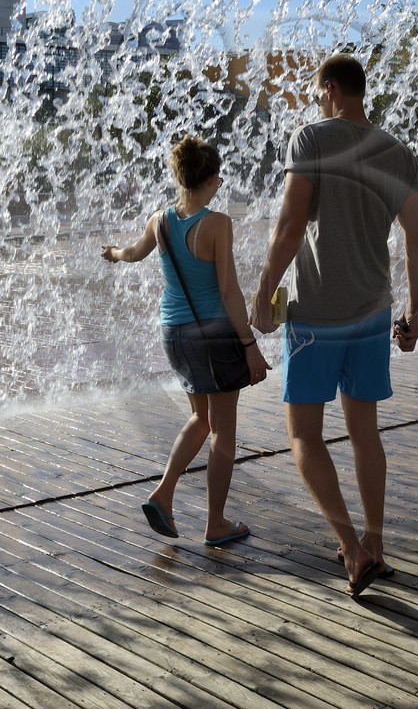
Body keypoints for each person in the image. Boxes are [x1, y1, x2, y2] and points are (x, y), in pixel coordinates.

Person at [250, 54, 418, 598]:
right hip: (374, 310)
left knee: (303, 434)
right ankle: (375, 543)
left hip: (317, 314)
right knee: (364, 432)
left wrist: (262, 293)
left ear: (329, 90)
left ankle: (352, 550)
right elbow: (417, 239)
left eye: (316, 92)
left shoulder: (311, 139)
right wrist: (414, 312)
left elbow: (288, 225)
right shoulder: (398, 152)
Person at [101, 136, 269, 546]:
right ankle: (215, 523)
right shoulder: (216, 223)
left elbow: (134, 253)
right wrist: (250, 346)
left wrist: (113, 253)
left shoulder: (159, 220)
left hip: (173, 332)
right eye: (218, 177)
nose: (221, 183)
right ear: (210, 180)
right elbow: (229, 292)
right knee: (223, 431)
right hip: (212, 334)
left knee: (201, 417)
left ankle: (163, 493)